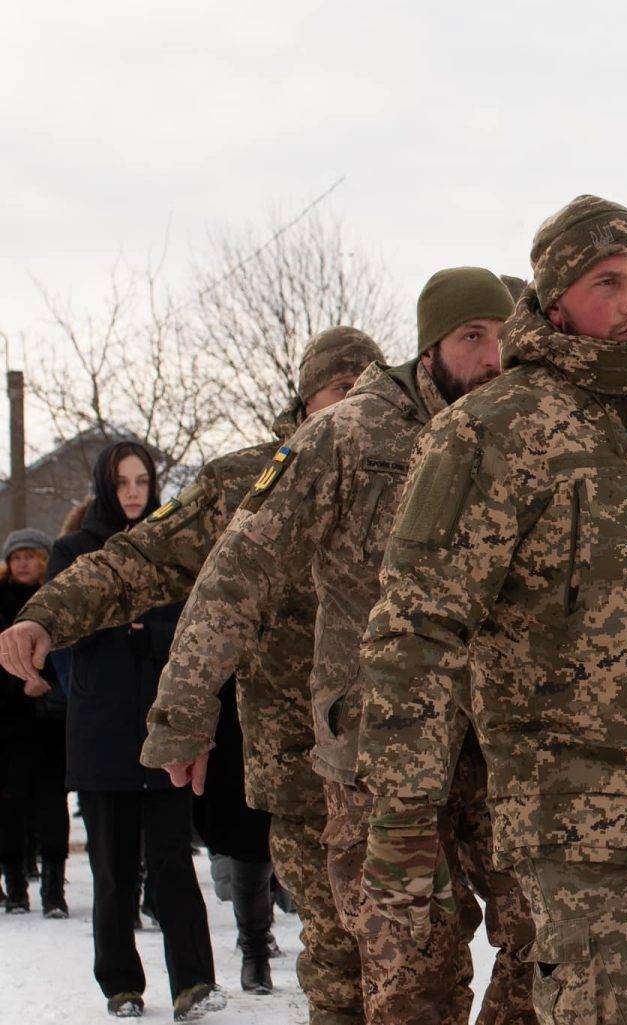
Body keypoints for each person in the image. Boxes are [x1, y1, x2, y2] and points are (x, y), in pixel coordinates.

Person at [353, 195, 627, 1025]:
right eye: (607, 282)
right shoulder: (492, 433)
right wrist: (404, 816)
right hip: (586, 823)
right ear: (556, 301)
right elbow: (415, 630)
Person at [138, 271, 530, 1025]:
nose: (492, 356)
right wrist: (183, 710)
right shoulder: (349, 434)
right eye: (471, 337)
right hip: (377, 752)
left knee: (548, 938)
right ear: (430, 346)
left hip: (502, 744)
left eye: (504, 335)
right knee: (409, 967)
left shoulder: (524, 430)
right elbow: (236, 572)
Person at [0, 326, 384, 1014]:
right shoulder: (250, 481)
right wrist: (48, 614)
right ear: (304, 402)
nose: (354, 405)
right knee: (339, 955)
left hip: (406, 759)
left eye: (367, 389)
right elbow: (142, 557)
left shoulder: (420, 469)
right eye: (338, 390)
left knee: (421, 951)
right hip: (303, 763)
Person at [50, 441, 225, 1020]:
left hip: (164, 728)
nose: (132, 492)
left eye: (142, 482)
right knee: (113, 870)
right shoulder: (73, 551)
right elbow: (65, 634)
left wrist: (138, 630)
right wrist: (121, 630)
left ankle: (194, 983)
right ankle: (121, 985)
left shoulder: (170, 552)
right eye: (122, 482)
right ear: (105, 486)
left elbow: (188, 627)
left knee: (174, 863)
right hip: (101, 732)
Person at [0, 528, 67, 918]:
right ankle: (15, 887)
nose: (23, 562)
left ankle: (53, 889)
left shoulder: (57, 603)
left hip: (52, 722)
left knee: (52, 804)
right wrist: (19, 684)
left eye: (31, 555)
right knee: (10, 805)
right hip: (9, 725)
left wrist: (47, 685)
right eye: (16, 556)